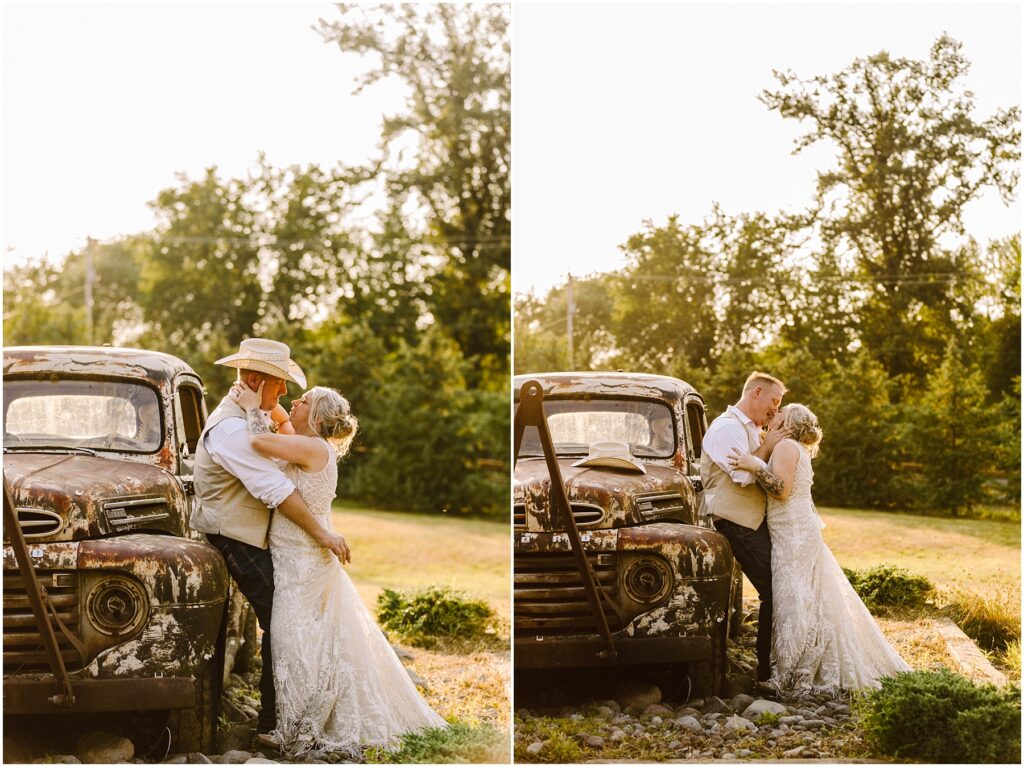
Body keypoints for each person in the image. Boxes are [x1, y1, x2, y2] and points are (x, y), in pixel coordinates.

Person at [229, 380, 446, 757]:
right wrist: (270, 400)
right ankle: (297, 718)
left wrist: (250, 407)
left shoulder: (312, 448)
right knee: (304, 639)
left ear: (315, 416)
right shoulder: (309, 443)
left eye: (304, 400)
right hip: (295, 554)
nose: (294, 403)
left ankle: (295, 727)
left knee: (292, 640)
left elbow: (259, 442)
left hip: (303, 558)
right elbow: (282, 422)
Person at [190, 338, 351, 739]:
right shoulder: (231, 429)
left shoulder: (246, 421)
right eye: (280, 385)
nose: (285, 394)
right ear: (261, 381)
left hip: (256, 538)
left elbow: (274, 436)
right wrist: (323, 534)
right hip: (233, 537)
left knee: (285, 620)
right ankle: (275, 719)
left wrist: (260, 406)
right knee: (282, 621)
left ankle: (281, 716)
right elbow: (276, 490)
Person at [730, 403, 911, 696]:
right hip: (792, 529)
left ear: (787, 423)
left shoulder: (787, 447)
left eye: (778, 413)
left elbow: (781, 490)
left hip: (795, 533)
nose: (772, 415)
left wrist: (755, 465)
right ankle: (793, 665)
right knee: (802, 596)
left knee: (793, 598)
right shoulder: (790, 446)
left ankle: (789, 671)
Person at [700, 371, 789, 693]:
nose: (775, 410)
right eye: (774, 402)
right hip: (734, 521)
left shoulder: (751, 429)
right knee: (773, 591)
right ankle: (765, 674)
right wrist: (767, 445)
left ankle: (773, 666)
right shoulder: (726, 428)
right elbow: (743, 478)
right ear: (756, 392)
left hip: (750, 521)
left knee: (777, 589)